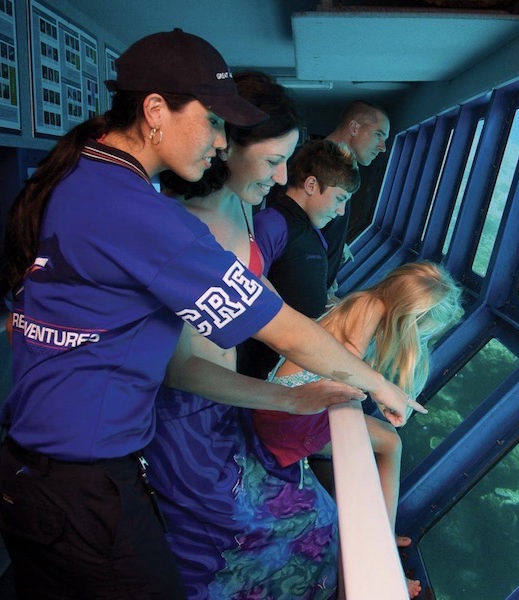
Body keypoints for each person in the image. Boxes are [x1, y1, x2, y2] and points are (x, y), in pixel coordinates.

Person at [0, 30, 417, 599]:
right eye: (213, 121)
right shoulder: (144, 215)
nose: (220, 141)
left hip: (36, 473)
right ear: (155, 111)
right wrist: (377, 385)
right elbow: (281, 328)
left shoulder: (79, 178)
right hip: (80, 486)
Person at [148, 72, 344, 600]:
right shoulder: (180, 226)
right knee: (239, 542)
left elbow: (263, 300)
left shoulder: (245, 205)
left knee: (316, 515)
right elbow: (183, 369)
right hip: (189, 424)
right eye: (274, 160)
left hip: (229, 411)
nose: (282, 179)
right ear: (226, 143)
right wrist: (290, 396)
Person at [253, 260, 464, 600]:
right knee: (390, 443)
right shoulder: (371, 307)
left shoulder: (365, 301)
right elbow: (341, 363)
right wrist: (379, 389)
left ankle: (383, 533)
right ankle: (384, 544)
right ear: (410, 319)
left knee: (387, 442)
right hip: (286, 418)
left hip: (282, 410)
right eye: (423, 332)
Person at [237, 139, 360, 380]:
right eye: (340, 199)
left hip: (289, 362)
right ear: (311, 185)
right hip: (257, 366)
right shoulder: (271, 225)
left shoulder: (314, 233)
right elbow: (247, 296)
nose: (341, 211)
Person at [321, 100, 391, 294]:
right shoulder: (319, 166)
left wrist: (337, 247)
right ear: (354, 128)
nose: (383, 147)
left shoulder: (342, 169)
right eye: (378, 135)